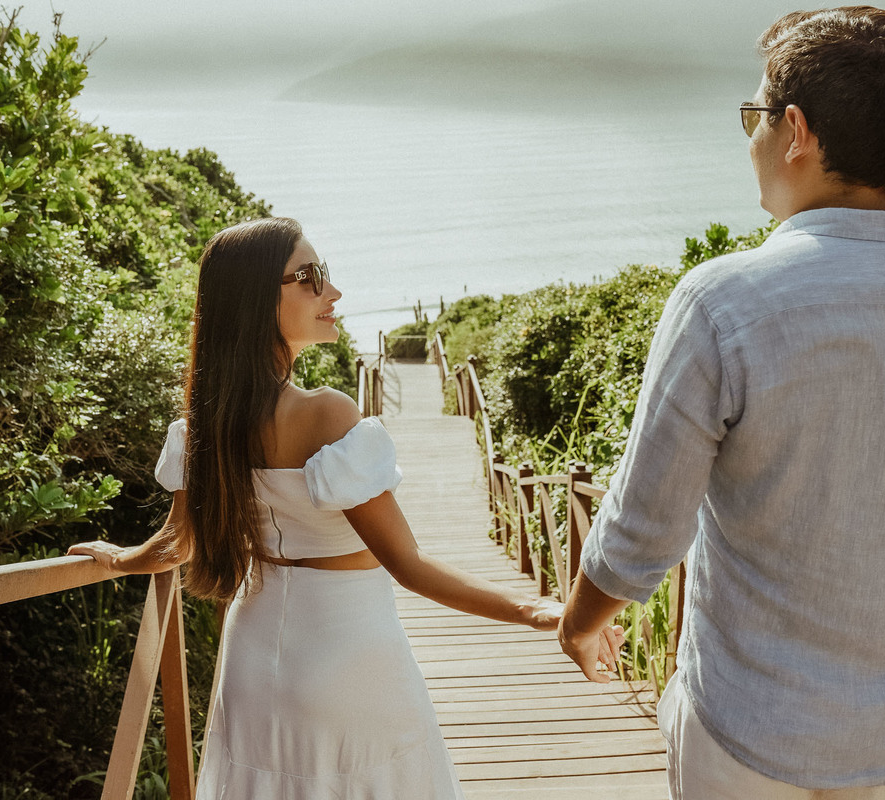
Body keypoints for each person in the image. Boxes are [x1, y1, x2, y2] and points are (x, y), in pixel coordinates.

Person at [557, 7, 885, 799]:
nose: (750, 137)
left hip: (744, 729)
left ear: (796, 132)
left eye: (754, 115)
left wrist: (580, 624)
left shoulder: (722, 303)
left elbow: (642, 527)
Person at [68, 217, 623, 799]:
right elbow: (408, 565)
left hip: (252, 660)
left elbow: (176, 543)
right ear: (257, 299)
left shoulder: (201, 428)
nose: (331, 292)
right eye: (308, 277)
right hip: (348, 659)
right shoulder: (325, 415)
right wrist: (540, 610)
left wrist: (118, 559)